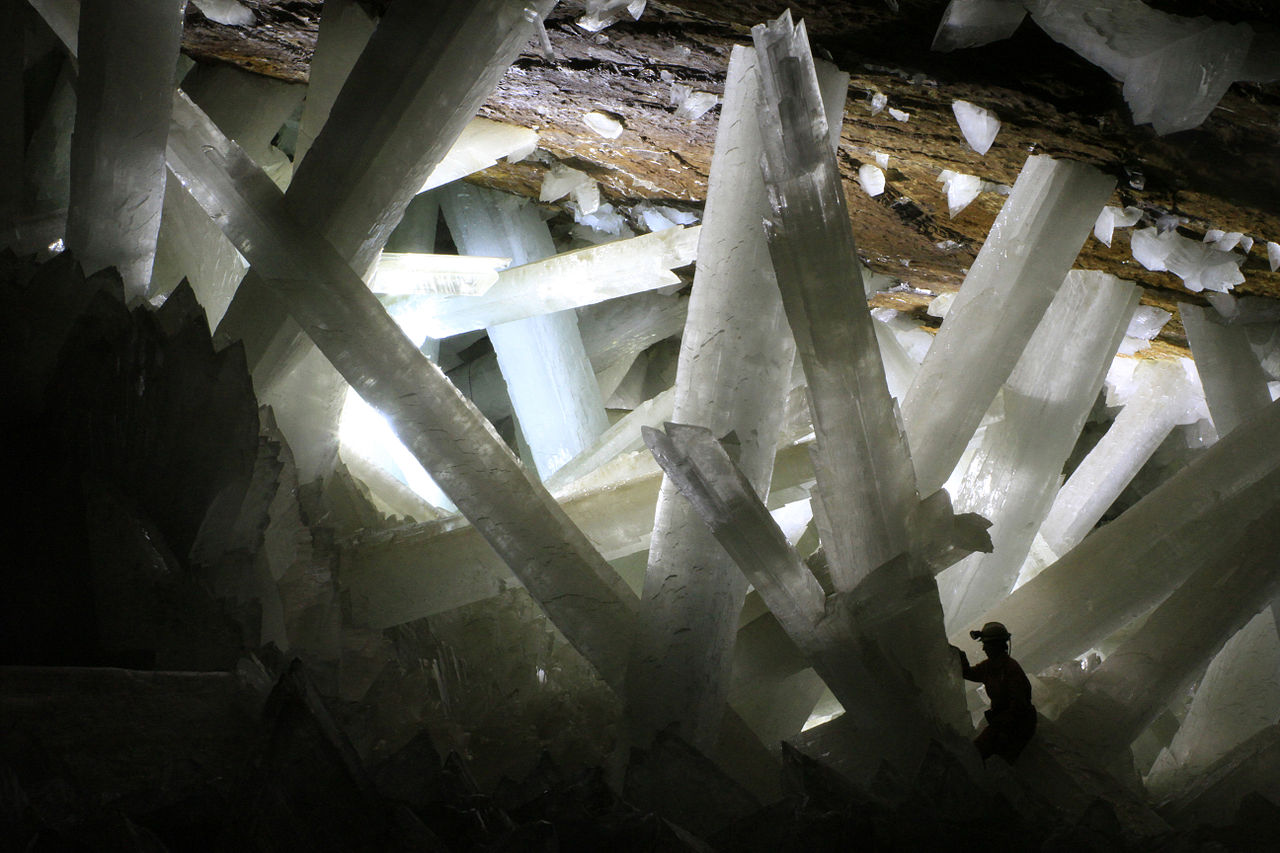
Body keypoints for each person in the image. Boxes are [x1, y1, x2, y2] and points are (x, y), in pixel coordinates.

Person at [953, 621, 1037, 763]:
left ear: (996, 646)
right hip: (1003, 723)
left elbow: (1019, 706)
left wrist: (1001, 730)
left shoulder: (1011, 670)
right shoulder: (990, 667)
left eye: (986, 644)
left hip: (1018, 725)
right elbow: (968, 673)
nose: (984, 648)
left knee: (982, 756)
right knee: (978, 753)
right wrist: (958, 655)